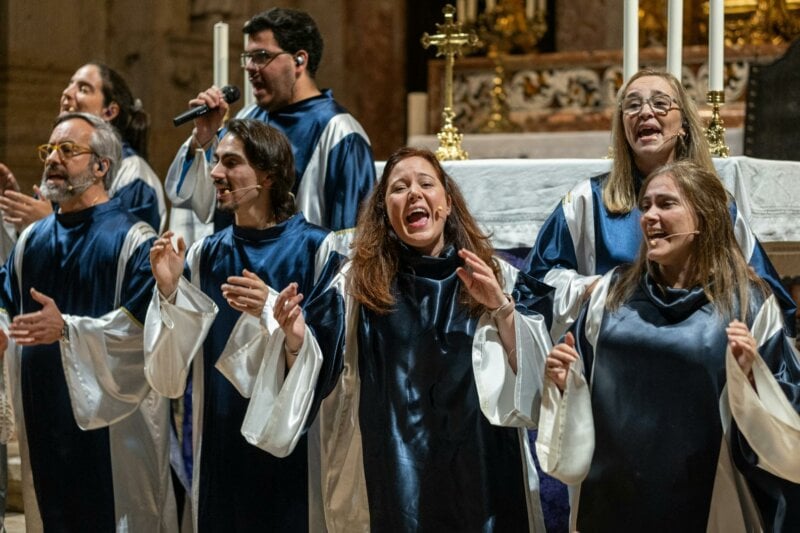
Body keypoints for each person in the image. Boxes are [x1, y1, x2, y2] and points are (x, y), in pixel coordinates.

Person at [233, 147, 554, 531]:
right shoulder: (355, 283)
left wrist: (501, 308)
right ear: (385, 213)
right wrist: (296, 338)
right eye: (399, 188)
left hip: (480, 463)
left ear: (447, 203)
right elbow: (314, 358)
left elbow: (537, 382)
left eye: (426, 184)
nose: (414, 194)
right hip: (392, 465)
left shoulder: (491, 275)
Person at [538, 160, 800, 532]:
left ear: (704, 217)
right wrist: (564, 382)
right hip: (612, 497)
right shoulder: (609, 296)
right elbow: (578, 394)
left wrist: (754, 380)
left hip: (709, 499)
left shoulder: (748, 303)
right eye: (645, 206)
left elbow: (788, 419)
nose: (649, 217)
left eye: (666, 204)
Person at [145, 119, 343, 531]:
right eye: (216, 161)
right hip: (220, 437)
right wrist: (169, 293)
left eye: (230, 162)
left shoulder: (319, 249)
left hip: (295, 443)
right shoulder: (203, 256)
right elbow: (169, 371)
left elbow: (333, 360)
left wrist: (276, 312)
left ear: (268, 174)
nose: (215, 172)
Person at [0, 112, 177, 531]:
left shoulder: (136, 241)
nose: (53, 159)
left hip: (114, 432)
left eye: (68, 150)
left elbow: (144, 337)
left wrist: (67, 330)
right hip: (43, 414)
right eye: (49, 150)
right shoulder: (31, 240)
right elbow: (6, 304)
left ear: (102, 167)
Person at [525, 69, 796, 341]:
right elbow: (534, 285)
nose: (645, 112)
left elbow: (767, 297)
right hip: (617, 349)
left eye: (660, 103)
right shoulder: (588, 200)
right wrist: (597, 288)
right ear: (623, 128)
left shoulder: (716, 205)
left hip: (699, 353)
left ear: (684, 126)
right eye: (632, 105)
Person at [165, 7, 375, 246]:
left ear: (299, 60)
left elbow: (351, 237)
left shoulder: (340, 132)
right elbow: (198, 206)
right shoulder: (248, 118)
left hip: (300, 277)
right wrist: (204, 137)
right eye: (248, 57)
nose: (250, 67)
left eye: (262, 56)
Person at [0, 62, 167, 233]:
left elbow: (126, 246)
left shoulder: (133, 174)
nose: (66, 92)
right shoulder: (63, 163)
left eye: (83, 89)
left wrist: (50, 224)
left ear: (109, 112)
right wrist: (13, 210)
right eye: (69, 84)